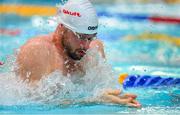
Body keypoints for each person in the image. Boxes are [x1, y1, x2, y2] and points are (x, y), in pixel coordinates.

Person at [16, 0, 141, 108]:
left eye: (90, 38)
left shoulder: (95, 48)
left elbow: (103, 88)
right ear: (62, 27)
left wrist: (118, 97)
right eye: (81, 37)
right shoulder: (37, 51)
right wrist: (94, 101)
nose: (86, 46)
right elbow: (34, 104)